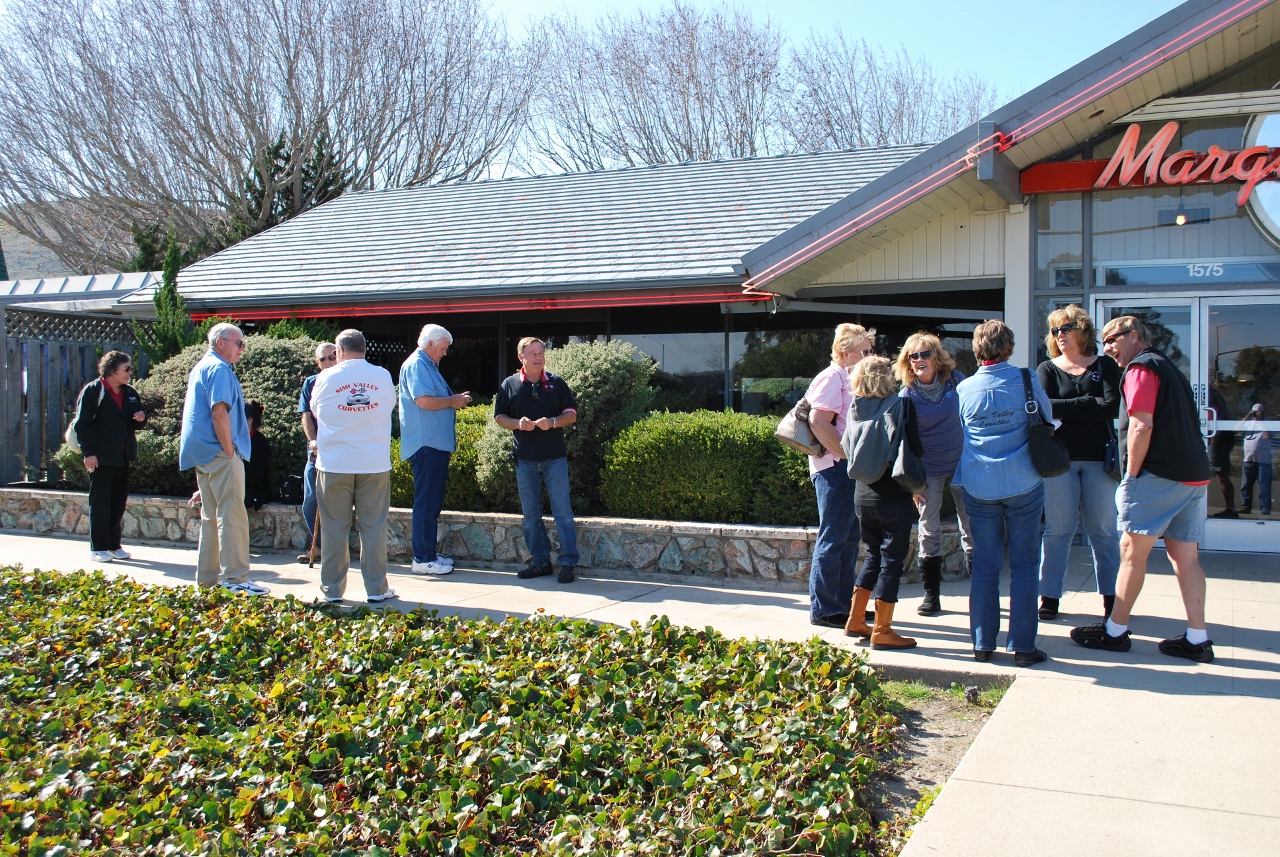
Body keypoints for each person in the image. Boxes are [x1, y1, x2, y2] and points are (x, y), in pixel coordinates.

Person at [1072, 316, 1215, 662]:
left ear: (1134, 336)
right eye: (1102, 342)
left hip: (1157, 475)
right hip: (1193, 475)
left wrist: (1131, 478)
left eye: (1112, 339)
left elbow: (1140, 424)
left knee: (1130, 553)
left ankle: (1115, 632)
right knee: (1186, 557)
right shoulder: (1169, 367)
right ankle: (1198, 638)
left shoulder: (1140, 369)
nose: (1106, 348)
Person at [953, 320, 1051, 667]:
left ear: (977, 348)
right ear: (1008, 346)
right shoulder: (1027, 379)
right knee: (1025, 563)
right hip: (1024, 481)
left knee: (984, 563)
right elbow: (1049, 419)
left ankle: (982, 644)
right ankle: (1023, 647)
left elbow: (958, 434)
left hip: (979, 485)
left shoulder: (964, 390)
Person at [1035, 305, 1122, 621]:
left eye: (1066, 328)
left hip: (1101, 461)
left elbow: (1112, 407)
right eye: (1055, 330)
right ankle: (1050, 598)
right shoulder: (1047, 369)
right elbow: (1047, 409)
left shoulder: (1106, 365)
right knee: (1058, 529)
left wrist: (1068, 410)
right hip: (1060, 462)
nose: (1060, 336)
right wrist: (1088, 401)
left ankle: (1113, 601)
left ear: (1083, 330)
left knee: (1103, 530)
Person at [178, 323, 268, 595]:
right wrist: (229, 451)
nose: (242, 348)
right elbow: (219, 414)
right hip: (219, 451)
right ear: (220, 342)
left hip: (202, 453)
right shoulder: (218, 368)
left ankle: (207, 580)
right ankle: (236, 579)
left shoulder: (202, 366)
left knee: (211, 516)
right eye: (238, 343)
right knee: (232, 514)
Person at [310, 329, 398, 604]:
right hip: (374, 463)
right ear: (364, 349)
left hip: (335, 462)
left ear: (338, 351)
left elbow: (315, 411)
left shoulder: (325, 378)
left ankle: (332, 591)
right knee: (374, 527)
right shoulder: (382, 376)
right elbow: (389, 407)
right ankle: (376, 589)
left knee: (334, 528)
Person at [842, 356, 923, 649]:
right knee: (891, 561)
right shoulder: (901, 406)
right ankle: (883, 629)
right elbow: (915, 448)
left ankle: (855, 620)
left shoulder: (854, 409)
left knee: (873, 556)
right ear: (887, 377)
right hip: (893, 495)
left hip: (862, 496)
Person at [800, 323, 874, 630]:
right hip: (834, 469)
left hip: (844, 468)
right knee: (833, 538)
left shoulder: (849, 377)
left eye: (871, 350)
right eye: (864, 351)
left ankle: (844, 606)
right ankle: (826, 608)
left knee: (849, 538)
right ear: (845, 353)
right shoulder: (833, 377)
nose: (870, 356)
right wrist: (844, 455)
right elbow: (819, 422)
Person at [895, 332, 972, 617]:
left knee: (971, 526)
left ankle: (981, 592)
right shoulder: (907, 394)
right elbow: (902, 439)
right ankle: (932, 596)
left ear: (936, 357)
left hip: (963, 464)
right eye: (913, 356)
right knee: (929, 530)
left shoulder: (957, 381)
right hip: (928, 469)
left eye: (925, 354)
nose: (919, 360)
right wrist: (913, 484)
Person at [493, 337, 580, 584]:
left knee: (562, 512)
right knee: (531, 515)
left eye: (541, 353)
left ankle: (568, 563)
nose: (538, 357)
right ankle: (540, 561)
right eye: (532, 354)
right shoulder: (509, 384)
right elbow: (500, 416)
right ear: (521, 357)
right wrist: (516, 424)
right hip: (525, 461)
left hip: (555, 459)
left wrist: (553, 422)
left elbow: (571, 414)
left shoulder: (557, 383)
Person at [399, 324, 471, 575]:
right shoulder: (417, 364)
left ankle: (428, 553)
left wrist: (453, 400)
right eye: (443, 348)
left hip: (433, 444)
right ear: (430, 344)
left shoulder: (426, 364)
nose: (445, 353)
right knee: (427, 502)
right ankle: (422, 558)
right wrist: (452, 401)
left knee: (432, 501)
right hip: (426, 443)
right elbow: (424, 400)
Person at [74, 350, 146, 563]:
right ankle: (98, 547)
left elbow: (136, 419)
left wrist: (141, 418)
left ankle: (114, 545)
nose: (130, 372)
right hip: (101, 457)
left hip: (123, 455)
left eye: (130, 368)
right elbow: (83, 424)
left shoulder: (130, 392)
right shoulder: (94, 391)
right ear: (112, 369)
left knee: (118, 503)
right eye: (126, 368)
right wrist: (89, 453)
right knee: (100, 503)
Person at [297, 342, 337, 562]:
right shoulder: (311, 383)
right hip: (317, 452)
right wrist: (313, 442)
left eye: (332, 356)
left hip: (341, 452)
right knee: (311, 501)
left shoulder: (346, 381)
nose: (329, 362)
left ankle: (334, 548)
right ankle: (319, 546)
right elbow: (306, 415)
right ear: (317, 363)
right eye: (323, 359)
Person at [1207, 387, 1238, 519]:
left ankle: (1231, 509)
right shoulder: (1212, 394)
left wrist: (1213, 441)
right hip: (1213, 437)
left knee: (1221, 474)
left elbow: (1215, 416)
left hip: (1218, 438)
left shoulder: (1209, 394)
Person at [1241, 403, 1272, 516]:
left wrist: (1260, 422)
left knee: (1264, 486)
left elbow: (1268, 435)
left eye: (1258, 412)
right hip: (1248, 459)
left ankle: (1265, 508)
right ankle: (1245, 506)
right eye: (1254, 412)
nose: (1255, 414)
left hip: (1263, 460)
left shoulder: (1267, 424)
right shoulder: (1248, 424)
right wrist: (1247, 417)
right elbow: (1236, 430)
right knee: (1246, 484)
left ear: (1262, 413)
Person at [243, 400, 272, 510]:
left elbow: (255, 474)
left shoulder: (260, 442)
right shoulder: (236, 439)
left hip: (255, 490)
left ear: (249, 420)